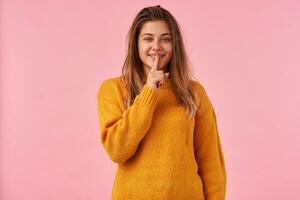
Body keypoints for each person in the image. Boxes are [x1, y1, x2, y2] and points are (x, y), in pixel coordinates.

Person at [97, 5, 226, 200]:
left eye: (165, 39)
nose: (156, 46)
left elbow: (211, 164)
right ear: (136, 44)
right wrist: (149, 92)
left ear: (175, 45)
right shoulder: (113, 89)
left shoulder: (194, 93)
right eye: (148, 38)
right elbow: (118, 150)